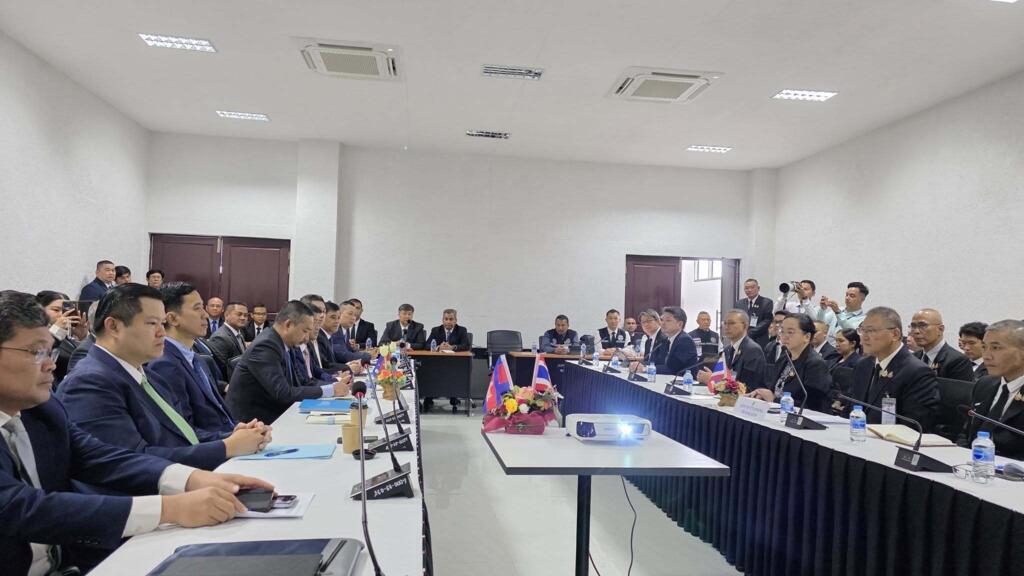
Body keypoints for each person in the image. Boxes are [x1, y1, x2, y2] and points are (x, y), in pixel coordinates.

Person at [0, 290, 275, 576]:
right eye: (36, 352)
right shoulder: (89, 381)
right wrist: (169, 508)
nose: (51, 365)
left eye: (50, 351)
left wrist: (192, 478)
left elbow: (98, 457)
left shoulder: (42, 410)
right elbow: (21, 507)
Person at [58, 285, 270, 471]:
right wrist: (225, 447)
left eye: (162, 323)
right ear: (113, 326)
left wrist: (233, 436)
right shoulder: (90, 382)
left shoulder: (148, 376)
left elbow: (181, 434)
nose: (162, 332)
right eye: (152, 324)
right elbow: (128, 462)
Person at [227, 300, 352, 424]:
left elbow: (301, 382)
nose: (306, 339)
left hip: (278, 413)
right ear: (288, 325)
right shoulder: (266, 346)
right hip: (252, 422)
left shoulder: (286, 344)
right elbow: (283, 393)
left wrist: (332, 386)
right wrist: (330, 390)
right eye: (305, 331)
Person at [145, 282, 238, 437]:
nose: (205, 315)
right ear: (172, 319)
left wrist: (241, 428)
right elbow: (185, 432)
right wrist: (233, 439)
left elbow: (219, 414)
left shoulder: (197, 359)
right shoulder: (164, 365)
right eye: (197, 308)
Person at [846, 307, 940, 430]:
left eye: (871, 331)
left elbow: (914, 425)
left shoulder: (917, 372)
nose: (864, 337)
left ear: (895, 334)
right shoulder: (863, 365)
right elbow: (851, 409)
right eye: (862, 330)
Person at [959, 320, 1024, 459]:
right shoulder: (985, 384)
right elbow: (966, 434)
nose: (986, 356)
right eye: (984, 347)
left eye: (995, 348)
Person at [748, 313, 833, 412]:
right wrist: (761, 395)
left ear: (807, 337)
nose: (784, 336)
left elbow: (812, 405)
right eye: (782, 331)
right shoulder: (784, 358)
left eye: (790, 332)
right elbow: (773, 390)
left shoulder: (815, 364)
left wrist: (774, 400)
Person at [697, 309, 766, 389]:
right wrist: (714, 378)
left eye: (732, 323)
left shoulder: (753, 350)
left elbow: (748, 388)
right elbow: (724, 378)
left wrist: (713, 381)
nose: (726, 327)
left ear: (745, 326)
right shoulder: (727, 350)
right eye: (725, 323)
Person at [909, 308, 975, 382]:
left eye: (923, 326)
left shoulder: (957, 361)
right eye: (913, 326)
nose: (916, 331)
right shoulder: (912, 358)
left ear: (940, 329)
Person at [34, 291, 82, 387]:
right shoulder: (34, 334)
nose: (61, 315)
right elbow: (40, 357)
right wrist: (56, 331)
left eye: (65, 310)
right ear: (40, 310)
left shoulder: (67, 333)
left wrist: (82, 337)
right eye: (56, 310)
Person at [652, 307, 699, 376]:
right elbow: (658, 362)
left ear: (680, 324)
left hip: (684, 381)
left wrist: (646, 369)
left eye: (668, 320)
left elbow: (672, 369)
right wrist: (642, 366)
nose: (662, 323)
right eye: (662, 320)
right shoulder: (665, 340)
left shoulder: (685, 341)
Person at [207, 301, 249, 379]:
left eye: (246, 315)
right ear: (226, 315)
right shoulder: (220, 337)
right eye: (239, 314)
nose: (243, 318)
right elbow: (219, 371)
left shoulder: (239, 333)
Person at [736, 279, 775, 348]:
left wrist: (749, 333)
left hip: (760, 339)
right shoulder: (739, 303)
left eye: (752, 287)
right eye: (746, 288)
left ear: (758, 288)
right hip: (742, 339)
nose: (749, 290)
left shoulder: (766, 302)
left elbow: (767, 320)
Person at [332, 301, 372, 365]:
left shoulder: (346, 330)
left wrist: (365, 352)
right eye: (350, 314)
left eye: (355, 315)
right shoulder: (335, 330)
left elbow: (350, 351)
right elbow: (345, 356)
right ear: (339, 314)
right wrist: (369, 355)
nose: (353, 318)